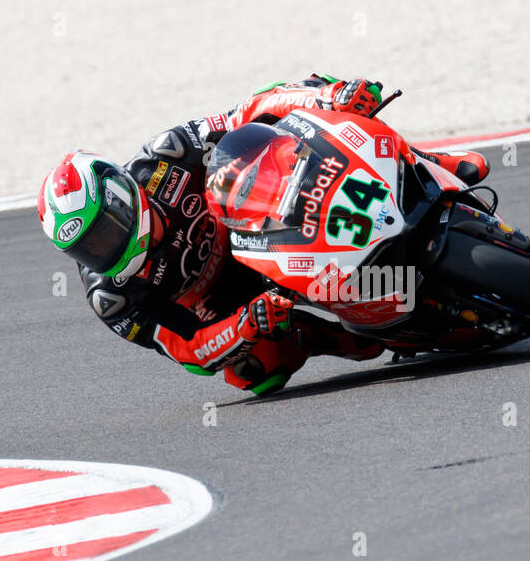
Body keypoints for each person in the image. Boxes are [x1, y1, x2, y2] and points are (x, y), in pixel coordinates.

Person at [37, 75, 490, 395]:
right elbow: (191, 351)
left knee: (306, 109)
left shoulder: (163, 158)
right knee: (255, 372)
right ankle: (356, 332)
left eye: (102, 232)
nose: (103, 248)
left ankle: (428, 163)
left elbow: (251, 110)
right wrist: (246, 324)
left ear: (118, 195)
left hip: (265, 216)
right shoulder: (112, 297)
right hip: (242, 297)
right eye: (87, 249)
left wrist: (332, 96)